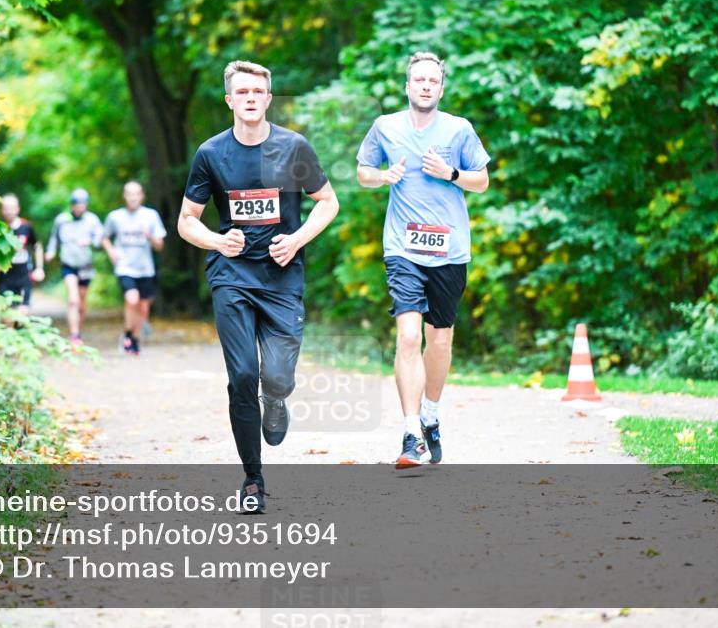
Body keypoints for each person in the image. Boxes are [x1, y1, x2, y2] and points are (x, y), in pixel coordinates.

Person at [178, 60, 339, 513]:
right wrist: (216, 240)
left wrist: (297, 239)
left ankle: (278, 398)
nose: (250, 98)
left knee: (278, 377)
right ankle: (253, 480)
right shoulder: (211, 154)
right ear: (229, 100)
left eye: (258, 92)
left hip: (282, 276)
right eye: (242, 92)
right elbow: (186, 221)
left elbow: (328, 203)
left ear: (268, 99)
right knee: (243, 375)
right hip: (232, 277)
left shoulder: (294, 148)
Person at [356, 51, 490, 469]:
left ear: (441, 88)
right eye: (419, 80)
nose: (426, 86)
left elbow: (482, 182)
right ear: (408, 86)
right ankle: (411, 431)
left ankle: (431, 414)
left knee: (440, 340)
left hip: (449, 250)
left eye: (433, 80)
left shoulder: (459, 129)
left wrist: (450, 173)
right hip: (403, 249)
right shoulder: (386, 127)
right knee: (409, 337)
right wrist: (382, 177)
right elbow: (362, 171)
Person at [102, 180, 167, 355]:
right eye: (129, 194)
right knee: (132, 300)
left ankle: (132, 338)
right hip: (125, 267)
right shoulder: (115, 217)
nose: (133, 197)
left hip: (145, 268)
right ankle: (130, 336)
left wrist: (150, 236)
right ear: (124, 196)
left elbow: (160, 246)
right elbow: (104, 237)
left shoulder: (151, 215)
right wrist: (111, 251)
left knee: (143, 308)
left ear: (142, 196)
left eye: (136, 194)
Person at [46, 189, 103, 346]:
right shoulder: (62, 220)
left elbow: (100, 239)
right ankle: (75, 335)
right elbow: (54, 238)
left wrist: (90, 240)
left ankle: (79, 330)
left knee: (82, 304)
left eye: (83, 204)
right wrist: (50, 252)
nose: (80, 207)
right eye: (77, 204)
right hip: (68, 264)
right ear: (72, 205)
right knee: (73, 300)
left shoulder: (92, 220)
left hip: (86, 265)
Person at [0, 193, 44, 314]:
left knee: (23, 312)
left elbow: (37, 246)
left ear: (18, 209)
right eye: (6, 208)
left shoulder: (26, 227)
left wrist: (39, 268)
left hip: (23, 273)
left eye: (12, 208)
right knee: (7, 314)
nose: (9, 211)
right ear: (2, 210)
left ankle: (21, 330)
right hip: (5, 276)